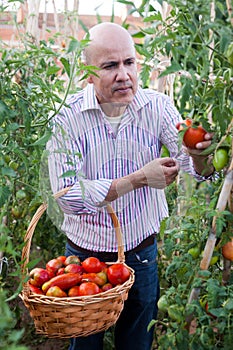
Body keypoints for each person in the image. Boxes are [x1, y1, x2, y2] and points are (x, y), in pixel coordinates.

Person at [46, 22, 214, 350]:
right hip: (83, 259)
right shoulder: (67, 119)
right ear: (88, 73)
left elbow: (197, 169)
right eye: (110, 66)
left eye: (129, 62)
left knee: (137, 343)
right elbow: (66, 196)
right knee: (84, 345)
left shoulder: (158, 107)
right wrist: (138, 179)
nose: (124, 74)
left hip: (141, 255)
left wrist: (200, 155)